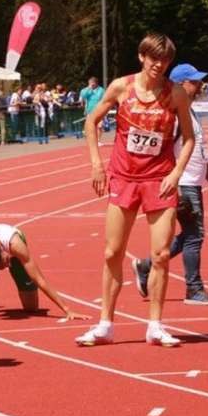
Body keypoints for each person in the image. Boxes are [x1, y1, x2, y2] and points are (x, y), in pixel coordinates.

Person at [75, 33, 194, 348]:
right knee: (112, 252)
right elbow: (91, 122)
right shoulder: (120, 87)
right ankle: (105, 325)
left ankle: (155, 325)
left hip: (159, 180)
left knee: (161, 254)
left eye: (165, 60)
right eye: (154, 58)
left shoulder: (176, 93)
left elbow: (190, 138)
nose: (159, 65)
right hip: (124, 178)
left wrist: (177, 172)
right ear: (142, 57)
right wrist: (96, 164)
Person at [132, 64, 208, 306]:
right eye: (194, 81)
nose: (200, 85)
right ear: (181, 85)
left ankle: (145, 266)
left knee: (193, 234)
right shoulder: (172, 115)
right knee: (194, 236)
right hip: (183, 182)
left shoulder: (188, 112)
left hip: (194, 181)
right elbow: (162, 150)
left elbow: (198, 148)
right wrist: (176, 183)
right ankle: (193, 289)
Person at [0, 223, 91, 319]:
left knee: (31, 308)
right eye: (0, 267)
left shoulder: (16, 245)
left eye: (4, 263)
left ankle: (6, 268)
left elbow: (39, 279)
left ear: (3, 250)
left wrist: (67, 310)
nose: (5, 268)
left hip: (14, 253)